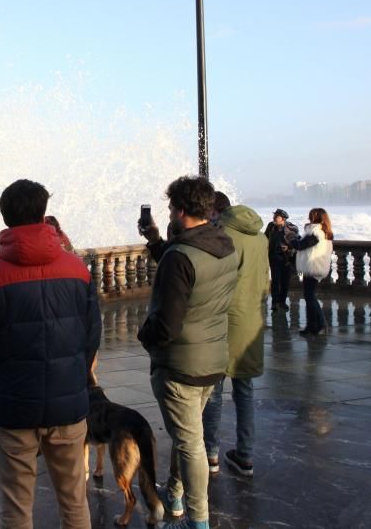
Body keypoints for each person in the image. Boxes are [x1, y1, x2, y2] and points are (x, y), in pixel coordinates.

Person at [0, 179, 101, 529]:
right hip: (68, 407)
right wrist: (75, 382)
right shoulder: (77, 269)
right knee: (74, 503)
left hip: (10, 409)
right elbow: (91, 337)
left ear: (6, 218)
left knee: (16, 510)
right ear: (42, 213)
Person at [137, 176, 237, 529]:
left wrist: (143, 334)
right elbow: (192, 269)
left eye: (169, 209)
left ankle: (199, 519)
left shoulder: (180, 258)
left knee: (191, 444)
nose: (168, 214)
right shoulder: (225, 246)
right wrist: (155, 241)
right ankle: (176, 494)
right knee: (188, 434)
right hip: (213, 360)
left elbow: (166, 325)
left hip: (180, 366)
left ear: (180, 210)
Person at [201, 192, 269, 478]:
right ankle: (245, 454)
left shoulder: (222, 236)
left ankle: (210, 454)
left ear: (216, 211)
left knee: (213, 392)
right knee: (245, 391)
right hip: (252, 320)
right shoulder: (260, 237)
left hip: (225, 320)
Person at [288, 207, 334, 336]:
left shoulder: (316, 232)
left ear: (315, 217)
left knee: (310, 296)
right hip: (309, 268)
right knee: (308, 296)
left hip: (312, 268)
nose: (309, 217)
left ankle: (320, 325)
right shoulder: (324, 232)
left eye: (311, 215)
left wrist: (291, 239)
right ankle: (311, 326)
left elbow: (301, 245)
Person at [264, 209, 298, 310]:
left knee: (285, 282)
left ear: (282, 219)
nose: (273, 218)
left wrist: (289, 248)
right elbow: (265, 238)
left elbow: (297, 243)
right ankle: (275, 303)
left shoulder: (292, 228)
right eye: (274, 216)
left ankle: (282, 302)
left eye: (276, 217)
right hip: (274, 258)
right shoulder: (271, 226)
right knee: (275, 281)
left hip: (286, 259)